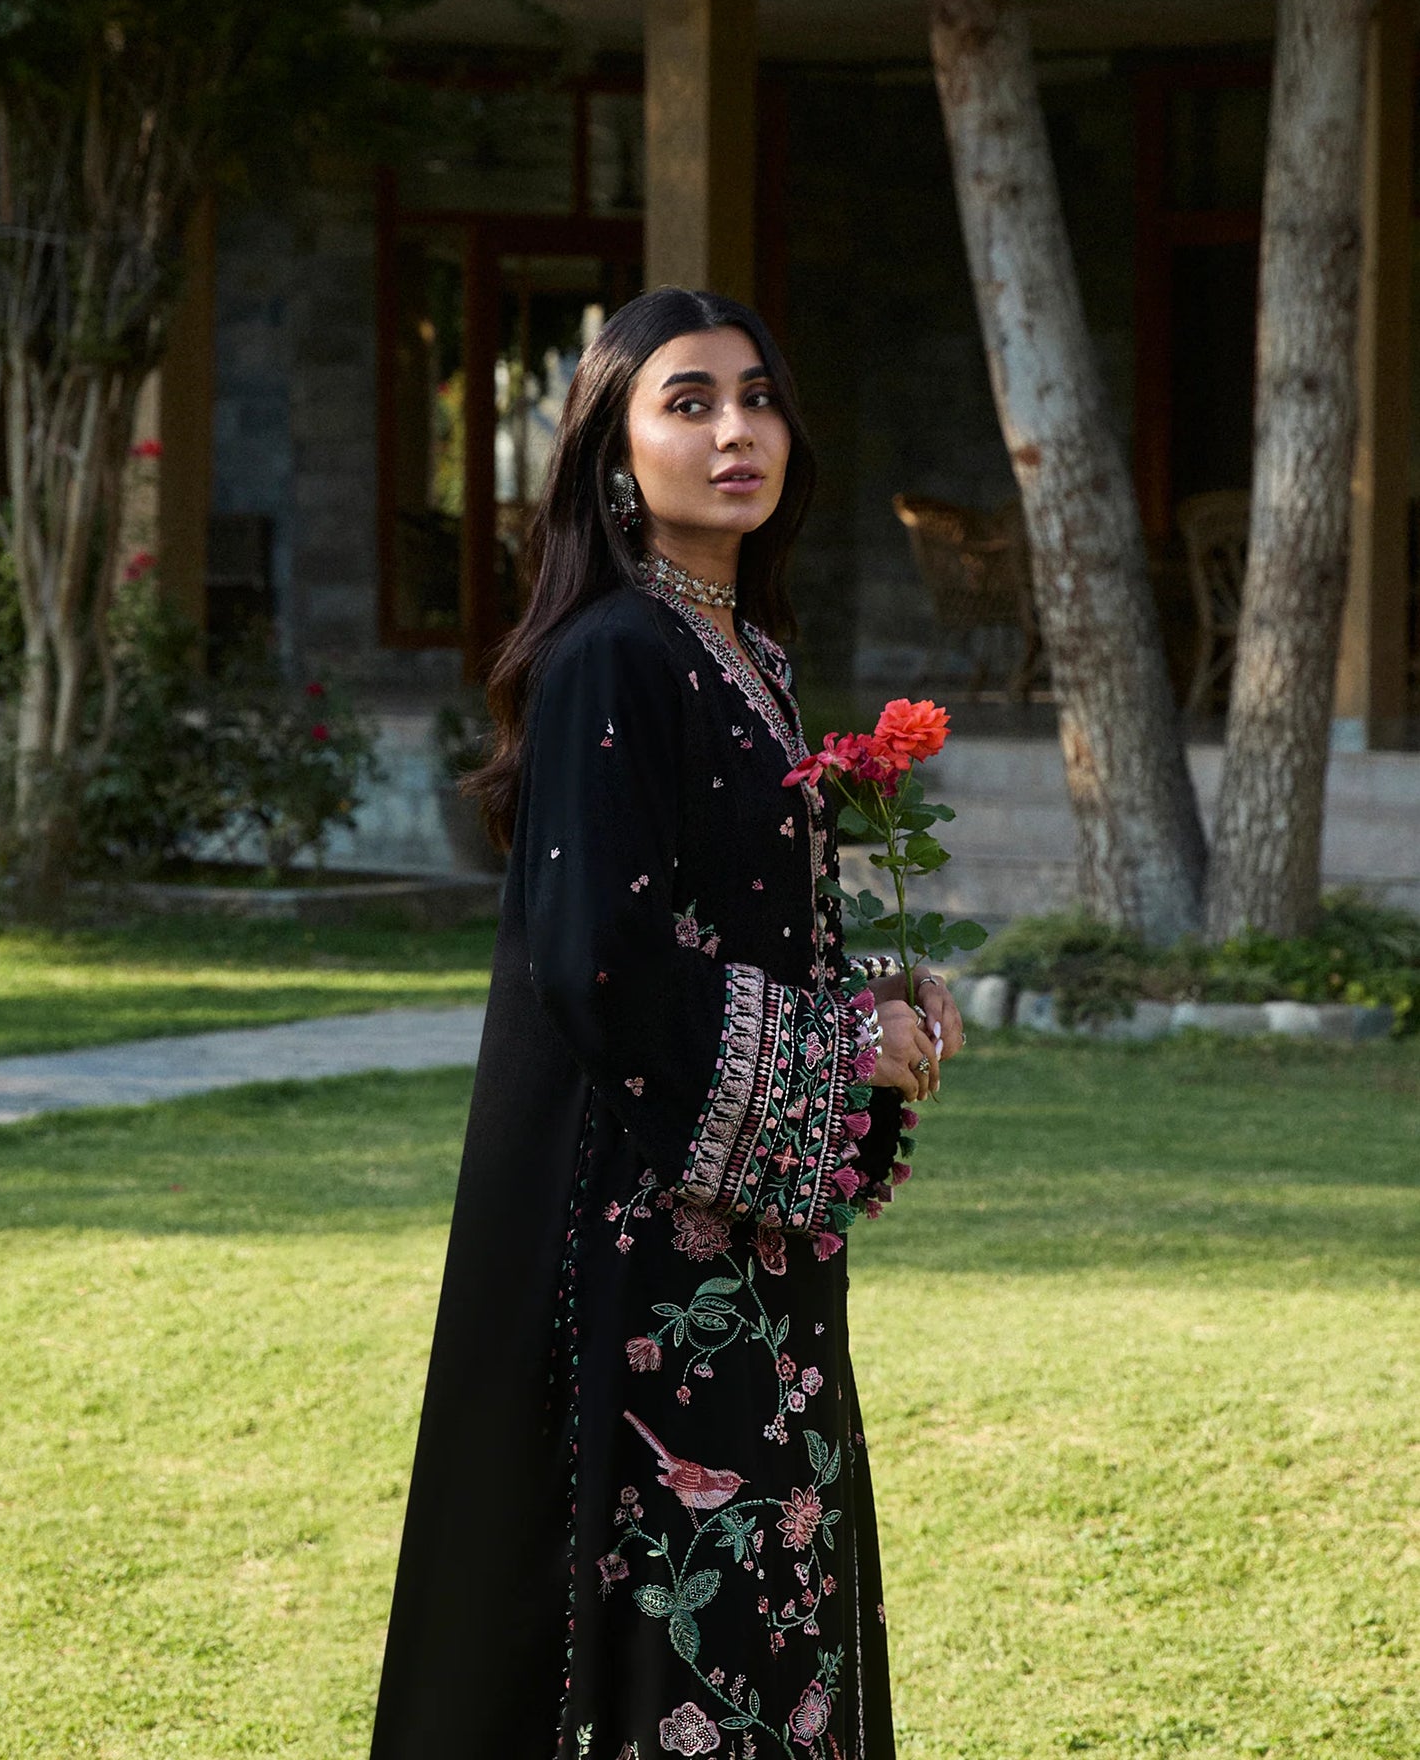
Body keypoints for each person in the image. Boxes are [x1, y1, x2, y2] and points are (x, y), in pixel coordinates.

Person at [369, 287, 964, 1760]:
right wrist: (833, 1054)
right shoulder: (616, 653)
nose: (734, 431)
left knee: (769, 1564)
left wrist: (868, 1005)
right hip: (636, 1235)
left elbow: (729, 927)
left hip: (742, 1221)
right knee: (672, 1592)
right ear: (613, 451)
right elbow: (598, 961)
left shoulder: (740, 646)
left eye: (756, 399)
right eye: (687, 403)